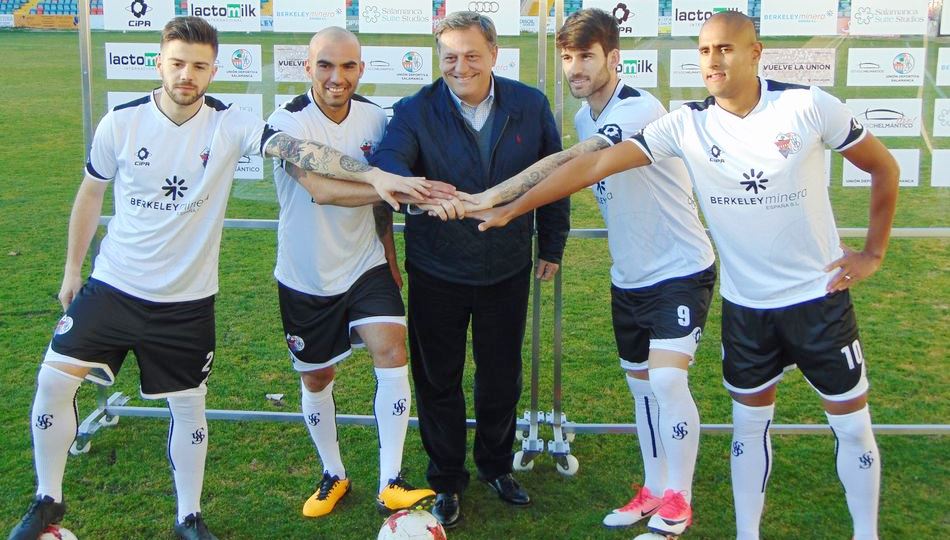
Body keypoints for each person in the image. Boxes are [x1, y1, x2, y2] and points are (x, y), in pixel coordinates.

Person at [474, 12, 898, 540]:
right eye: (704, 50)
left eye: (725, 48)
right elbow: (590, 168)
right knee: (712, 414)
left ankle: (701, 503)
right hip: (716, 299)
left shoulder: (800, 104)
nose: (713, 60)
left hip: (782, 291)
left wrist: (873, 253)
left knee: (839, 422)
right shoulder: (679, 122)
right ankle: (678, 500)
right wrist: (514, 209)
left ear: (756, 52)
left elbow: (883, 166)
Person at [7, 16, 430, 540]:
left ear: (213, 70)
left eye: (199, 66)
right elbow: (91, 193)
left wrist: (375, 183)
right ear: (159, 62)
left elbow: (296, 151)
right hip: (114, 285)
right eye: (178, 63)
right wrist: (73, 268)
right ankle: (47, 499)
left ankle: (190, 516)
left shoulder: (233, 123)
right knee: (53, 379)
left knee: (189, 406)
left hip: (188, 298)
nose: (187, 75)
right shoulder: (120, 121)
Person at [463, 8, 715, 536]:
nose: (575, 68)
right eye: (567, 57)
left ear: (613, 58)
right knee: (643, 389)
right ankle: (653, 490)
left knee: (668, 380)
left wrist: (506, 204)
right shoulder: (583, 116)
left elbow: (584, 165)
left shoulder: (638, 107)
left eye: (586, 56)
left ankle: (680, 499)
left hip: (680, 269)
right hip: (630, 276)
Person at [370, 11, 570, 529]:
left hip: (506, 268)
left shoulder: (530, 105)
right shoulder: (415, 109)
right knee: (438, 380)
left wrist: (551, 243)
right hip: (437, 270)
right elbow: (390, 163)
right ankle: (446, 480)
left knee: (500, 377)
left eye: (472, 55)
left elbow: (556, 176)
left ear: (494, 55)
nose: (460, 67)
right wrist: (416, 189)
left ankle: (496, 467)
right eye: (450, 57)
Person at [265, 27, 461, 519]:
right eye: (326, 65)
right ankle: (333, 473)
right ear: (307, 67)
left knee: (392, 351)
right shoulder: (286, 122)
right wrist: (403, 189)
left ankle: (390, 480)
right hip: (306, 275)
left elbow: (380, 206)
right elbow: (322, 190)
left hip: (366, 265)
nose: (337, 77)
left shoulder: (376, 118)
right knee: (318, 377)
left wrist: (389, 254)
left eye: (348, 66)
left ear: (361, 69)